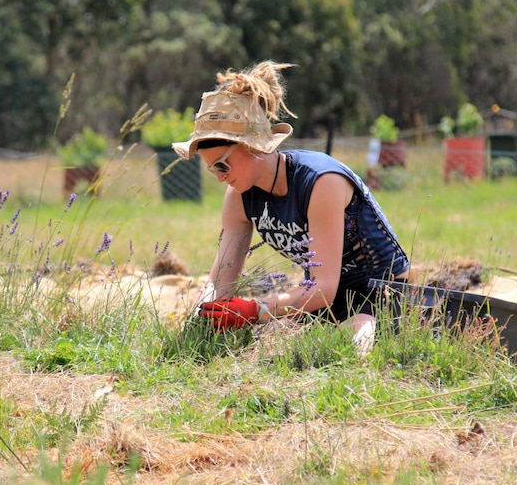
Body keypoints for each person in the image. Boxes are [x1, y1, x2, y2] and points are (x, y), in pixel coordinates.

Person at [172, 61, 410, 347]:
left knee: (357, 343)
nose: (221, 178)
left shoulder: (321, 181)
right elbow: (222, 280)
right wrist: (204, 312)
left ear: (253, 146)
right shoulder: (239, 196)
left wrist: (256, 310)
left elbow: (324, 287)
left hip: (384, 297)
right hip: (324, 305)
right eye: (212, 169)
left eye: (223, 164)